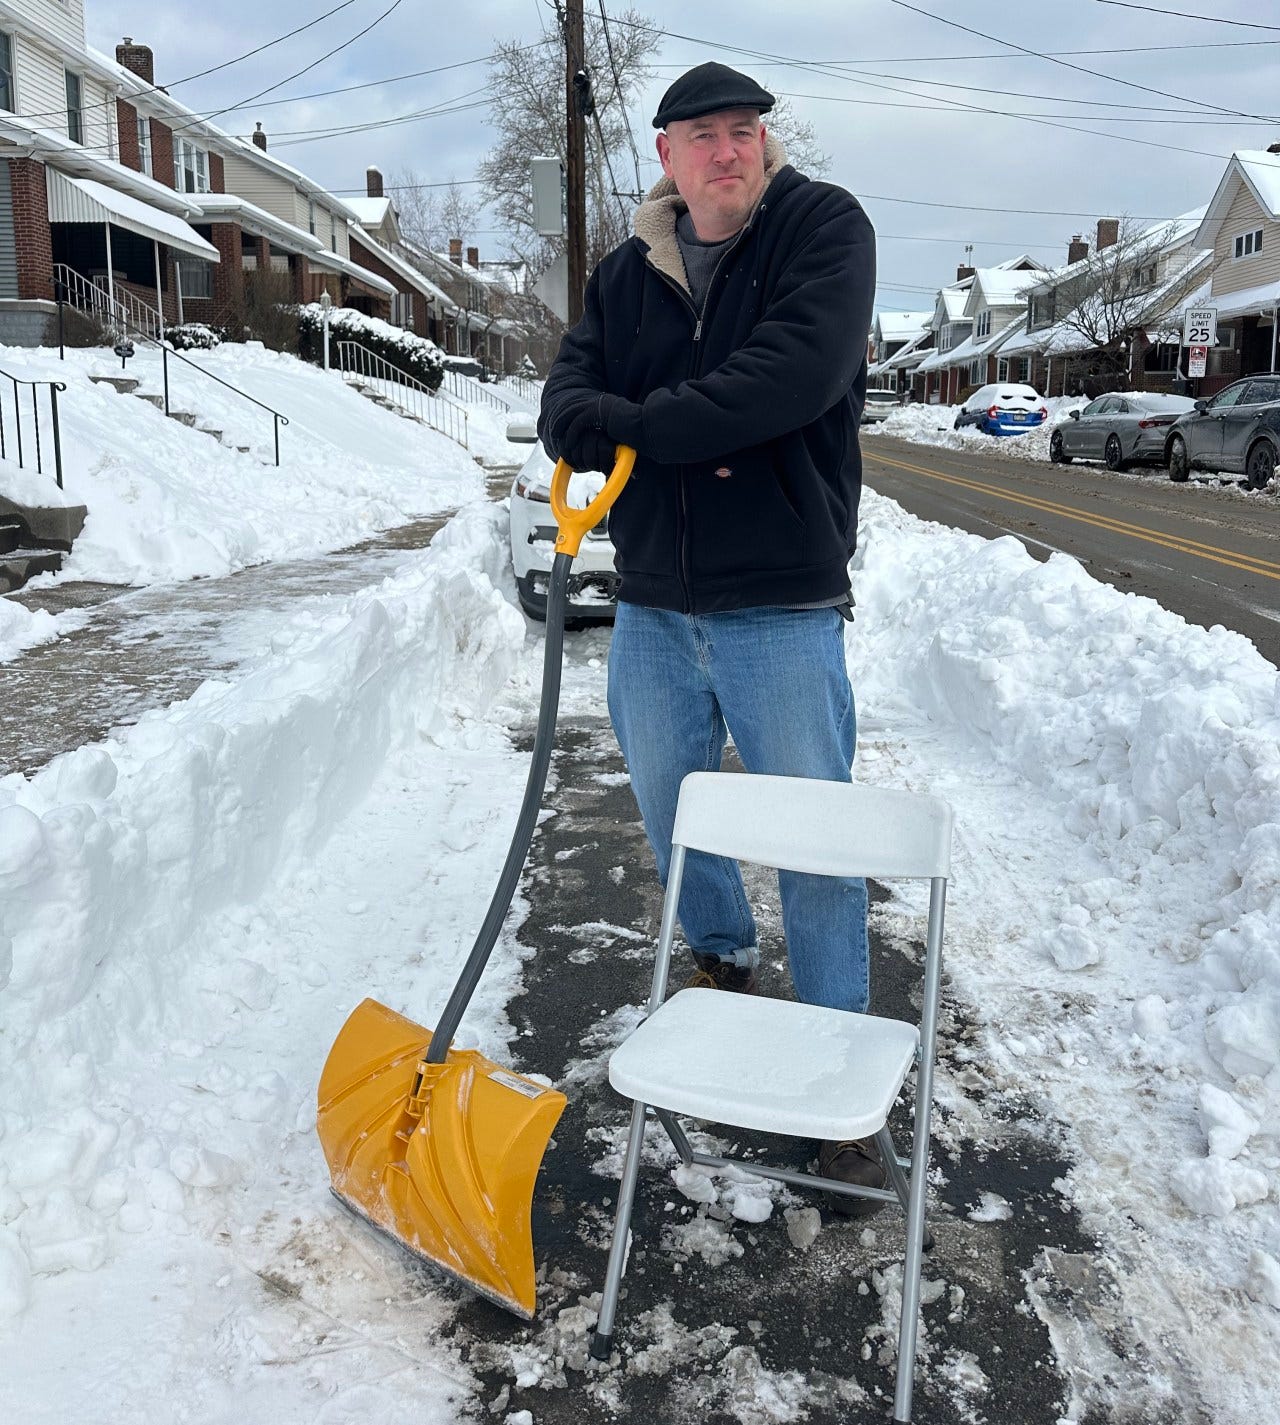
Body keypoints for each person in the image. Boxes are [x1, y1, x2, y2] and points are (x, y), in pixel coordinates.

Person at [538, 62, 880, 1208]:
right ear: (665, 155)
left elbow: (787, 379)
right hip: (648, 601)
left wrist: (629, 427)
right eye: (703, 135)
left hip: (779, 600)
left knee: (816, 835)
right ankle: (719, 956)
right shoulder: (622, 270)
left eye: (744, 133)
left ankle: (839, 1061)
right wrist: (597, 421)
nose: (727, 151)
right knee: (672, 809)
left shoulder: (820, 228)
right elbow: (562, 400)